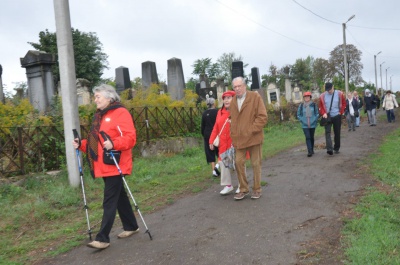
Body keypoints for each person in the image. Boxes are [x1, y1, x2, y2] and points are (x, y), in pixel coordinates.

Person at [72, 84, 139, 250]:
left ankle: (102, 238)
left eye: (98, 97)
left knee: (109, 200)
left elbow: (131, 138)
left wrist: (114, 143)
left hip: (116, 163)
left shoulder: (120, 112)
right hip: (104, 165)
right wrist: (81, 144)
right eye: (95, 97)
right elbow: (97, 142)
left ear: (109, 97)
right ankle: (131, 225)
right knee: (119, 196)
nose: (95, 100)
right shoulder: (100, 116)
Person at [230, 77, 268, 200]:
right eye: (235, 87)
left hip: (254, 137)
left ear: (245, 86)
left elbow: (262, 117)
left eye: (239, 86)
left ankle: (257, 189)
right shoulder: (233, 101)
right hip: (239, 139)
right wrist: (234, 134)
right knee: (238, 162)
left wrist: (251, 130)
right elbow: (234, 121)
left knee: (256, 163)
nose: (237, 89)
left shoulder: (255, 97)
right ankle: (243, 188)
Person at [209, 91, 236, 195]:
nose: (226, 100)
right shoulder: (220, 112)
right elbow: (216, 127)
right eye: (224, 98)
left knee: (238, 164)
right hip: (223, 144)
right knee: (223, 164)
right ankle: (228, 186)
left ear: (234, 99)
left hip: (234, 142)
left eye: (229, 97)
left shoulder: (237, 111)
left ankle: (243, 185)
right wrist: (211, 140)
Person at [318, 82, 346, 155]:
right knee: (327, 132)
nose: (329, 91)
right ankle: (329, 149)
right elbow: (320, 106)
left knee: (337, 132)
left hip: (337, 115)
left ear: (333, 87)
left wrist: (341, 112)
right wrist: (323, 113)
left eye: (330, 89)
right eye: (327, 90)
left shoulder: (340, 94)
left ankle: (336, 147)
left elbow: (343, 103)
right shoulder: (322, 96)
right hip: (327, 116)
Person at [201, 97, 219, 177]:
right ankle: (217, 167)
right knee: (220, 151)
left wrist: (204, 134)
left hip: (207, 135)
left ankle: (213, 170)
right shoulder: (217, 112)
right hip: (217, 134)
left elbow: (202, 126)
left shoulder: (204, 113)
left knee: (210, 152)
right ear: (214, 104)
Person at [297, 91, 319, 157]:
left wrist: (314, 120)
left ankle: (312, 149)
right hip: (305, 125)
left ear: (310, 97)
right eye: (305, 97)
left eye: (308, 96)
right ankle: (309, 151)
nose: (307, 98)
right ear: (304, 98)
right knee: (308, 137)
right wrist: (302, 120)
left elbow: (317, 114)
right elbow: (298, 114)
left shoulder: (314, 105)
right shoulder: (301, 106)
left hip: (312, 124)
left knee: (311, 137)